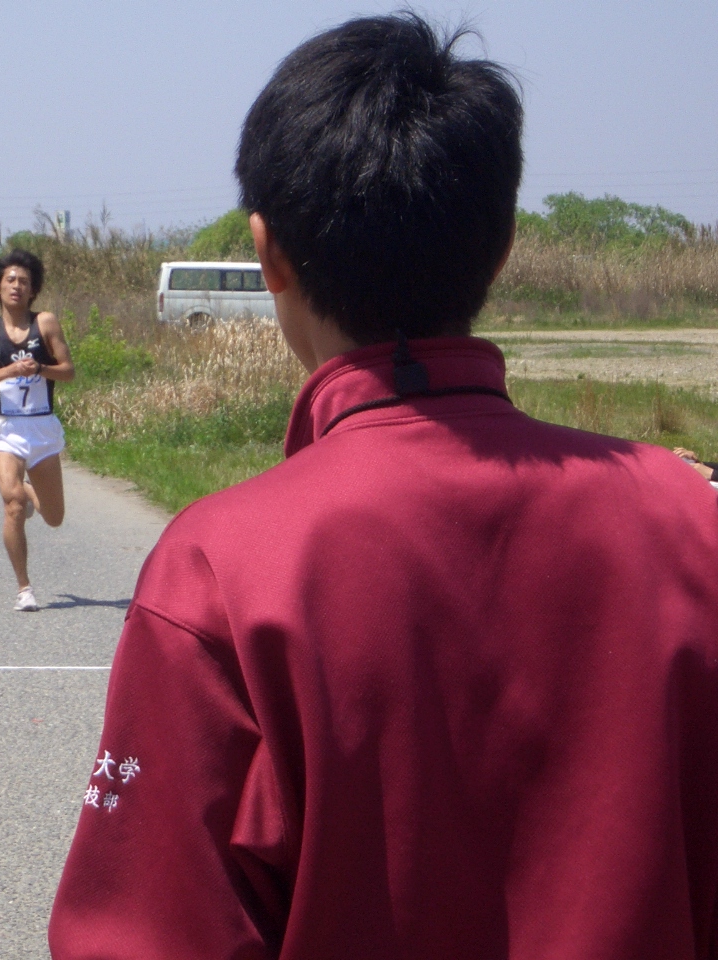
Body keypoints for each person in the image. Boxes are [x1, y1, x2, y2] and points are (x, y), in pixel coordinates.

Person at [49, 14, 718, 960]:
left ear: (269, 253)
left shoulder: (221, 568)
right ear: (502, 248)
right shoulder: (691, 522)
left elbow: (151, 931)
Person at [0, 250, 74, 611]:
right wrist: (8, 371)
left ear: (33, 290)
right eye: (10, 280)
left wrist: (40, 369)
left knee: (54, 518)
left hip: (41, 428)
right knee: (12, 505)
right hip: (7, 428)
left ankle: (29, 492)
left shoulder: (46, 323)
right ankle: (24, 589)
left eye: (24, 281)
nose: (16, 286)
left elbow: (68, 371)